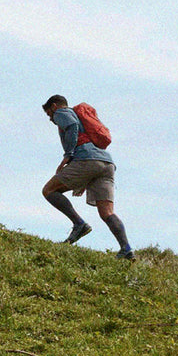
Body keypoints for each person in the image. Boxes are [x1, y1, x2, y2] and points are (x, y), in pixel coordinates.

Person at [41, 95, 134, 259]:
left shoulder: (62, 112)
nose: (51, 119)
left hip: (86, 158)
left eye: (49, 114)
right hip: (106, 163)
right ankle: (126, 249)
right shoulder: (80, 117)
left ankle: (79, 224)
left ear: (54, 106)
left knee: (49, 190)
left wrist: (68, 156)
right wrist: (83, 181)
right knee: (107, 212)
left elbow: (71, 125)